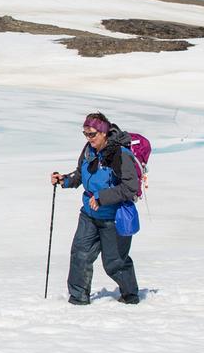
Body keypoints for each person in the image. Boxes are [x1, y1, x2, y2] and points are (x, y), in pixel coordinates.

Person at [51, 113, 141, 305]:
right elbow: (81, 174)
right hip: (89, 215)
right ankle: (78, 299)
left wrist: (102, 198)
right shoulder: (88, 151)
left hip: (114, 218)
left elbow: (130, 187)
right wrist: (65, 180)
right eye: (85, 134)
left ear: (103, 132)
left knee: (114, 263)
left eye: (91, 134)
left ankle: (130, 296)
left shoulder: (121, 155)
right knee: (80, 255)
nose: (88, 138)